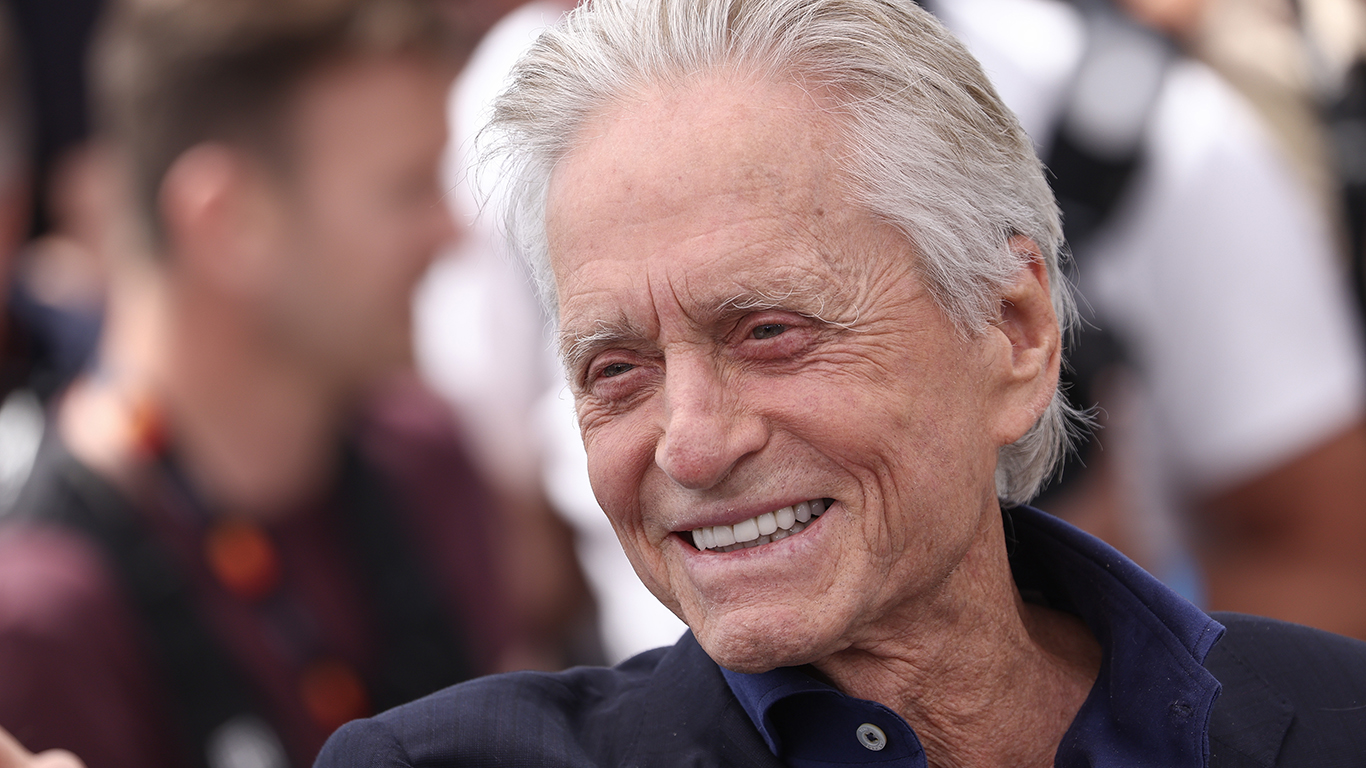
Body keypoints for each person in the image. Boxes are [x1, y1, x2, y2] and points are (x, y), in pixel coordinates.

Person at [318, 1, 1366, 766]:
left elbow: (1307, 526)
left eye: (771, 332)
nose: (687, 443)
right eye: (614, 370)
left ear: (1014, 330)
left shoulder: (1333, 718)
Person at [0, 1, 529, 767]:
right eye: (407, 188)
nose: (451, 232)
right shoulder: (44, 616)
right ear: (227, 219)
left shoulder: (426, 460)